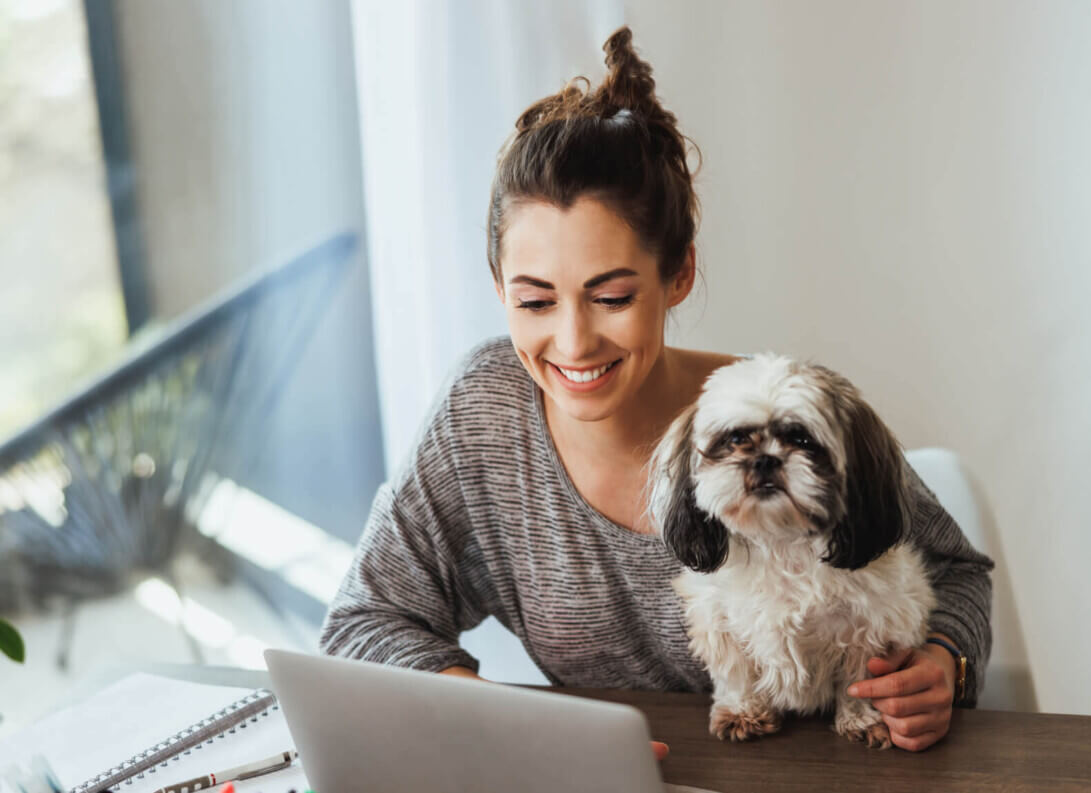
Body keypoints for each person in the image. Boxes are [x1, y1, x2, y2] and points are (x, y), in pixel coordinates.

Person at [320, 26, 994, 754]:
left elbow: (958, 573)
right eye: (536, 300)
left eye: (610, 297)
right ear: (499, 288)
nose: (574, 343)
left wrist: (943, 660)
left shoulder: (771, 412)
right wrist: (521, 733)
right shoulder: (484, 414)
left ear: (678, 274)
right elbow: (364, 622)